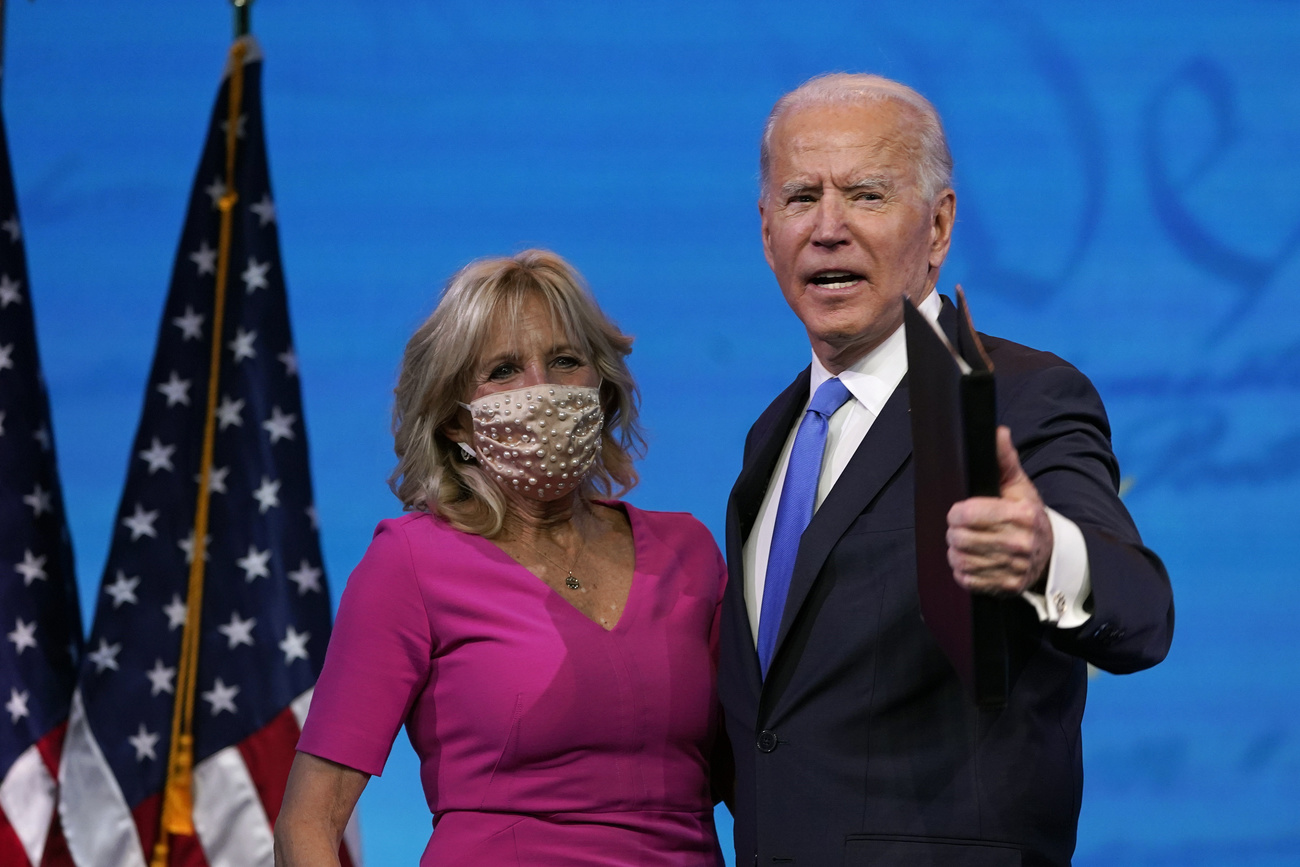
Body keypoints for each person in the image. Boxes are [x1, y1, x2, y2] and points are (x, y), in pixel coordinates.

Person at [718, 73, 1174, 866]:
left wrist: (1042, 556)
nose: (827, 228)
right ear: (765, 231)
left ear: (938, 226)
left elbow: (1142, 611)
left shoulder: (1019, 397)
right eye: (799, 198)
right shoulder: (773, 436)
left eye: (865, 194)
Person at [274, 250, 728, 866]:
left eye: (565, 361)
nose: (540, 390)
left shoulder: (689, 553)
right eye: (504, 370)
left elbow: (757, 772)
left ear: (601, 385)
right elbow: (309, 821)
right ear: (455, 420)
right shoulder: (410, 563)